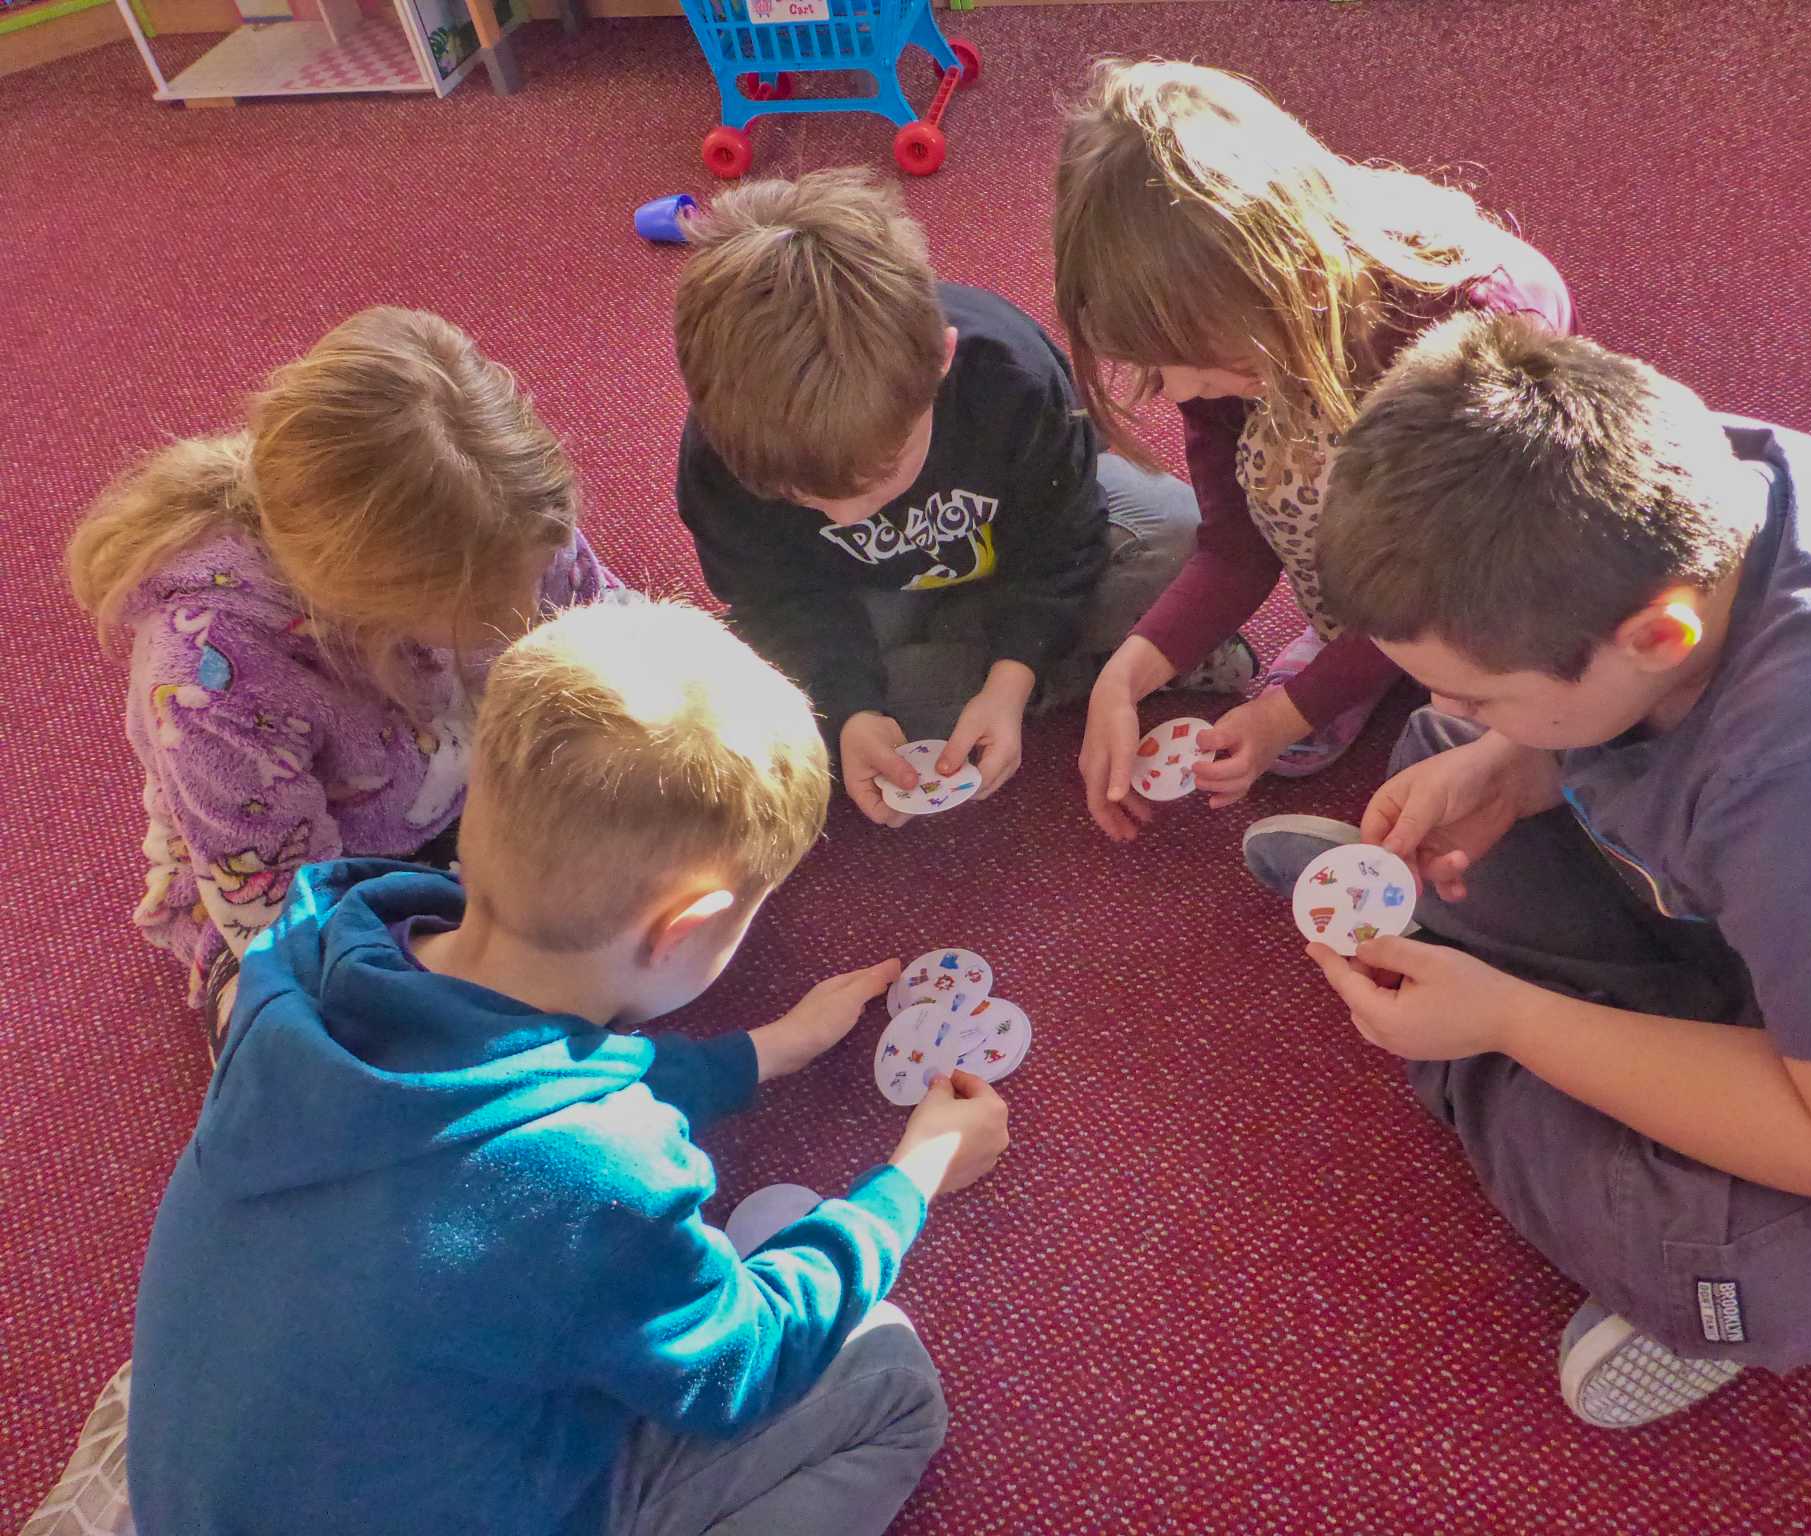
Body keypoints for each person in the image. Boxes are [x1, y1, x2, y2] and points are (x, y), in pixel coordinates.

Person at [1279, 310, 1811, 1427]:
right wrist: (1513, 751)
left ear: (1657, 636)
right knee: (1443, 760)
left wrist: (1505, 1022)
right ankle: (1638, 1021)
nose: (1458, 700)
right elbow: (1573, 711)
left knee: (1738, 1272)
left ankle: (1476, 1043)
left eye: (1484, 689)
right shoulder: (1676, 477)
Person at [128, 600, 1012, 1534]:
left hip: (209, 1498)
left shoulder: (315, 952)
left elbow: (486, 1083)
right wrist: (916, 1172)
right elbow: (745, 1362)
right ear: (687, 929)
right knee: (888, 1380)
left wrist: (760, 1054)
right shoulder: (603, 1174)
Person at [68, 306, 622, 1055]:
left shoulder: (506, 517)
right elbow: (279, 916)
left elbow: (608, 639)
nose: (528, 611)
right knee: (318, 1047)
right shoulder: (211, 677)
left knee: (640, 863)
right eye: (485, 613)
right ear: (372, 611)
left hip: (475, 799)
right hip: (299, 878)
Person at [1054, 59, 1572, 839]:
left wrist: (1288, 713)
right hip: (1393, 518)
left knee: (1486, 732)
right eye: (1158, 367)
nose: (1183, 389)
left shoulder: (1469, 331)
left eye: (1194, 359)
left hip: (1500, 540)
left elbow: (1442, 579)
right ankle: (1354, 642)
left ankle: (1409, 671)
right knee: (1289, 472)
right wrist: (1128, 671)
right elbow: (1235, 542)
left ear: (1281, 277)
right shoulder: (1221, 334)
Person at [673, 168, 1245, 829]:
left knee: (1181, 536)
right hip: (860, 606)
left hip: (1020, 566)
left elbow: (1063, 537)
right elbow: (778, 602)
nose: (849, 516)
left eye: (879, 476)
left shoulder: (1009, 374)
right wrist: (853, 709)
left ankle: (1015, 668)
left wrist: (1010, 679)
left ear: (942, 362)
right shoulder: (726, 450)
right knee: (767, 719)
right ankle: (1083, 665)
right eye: (800, 496)